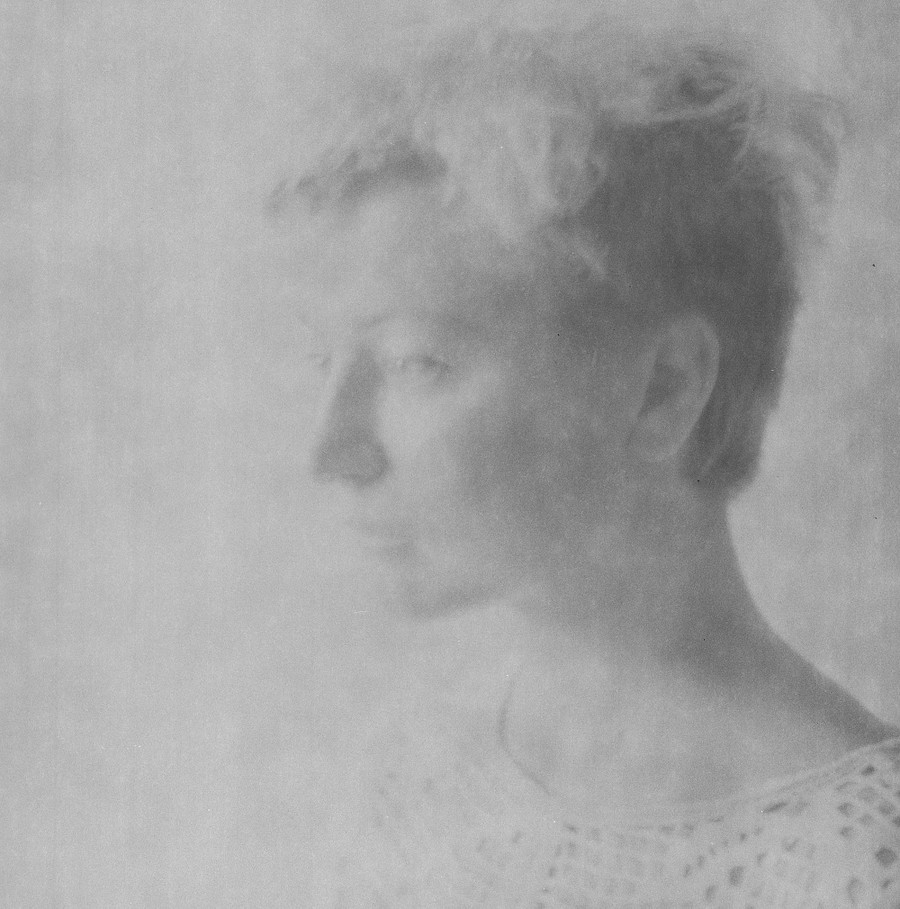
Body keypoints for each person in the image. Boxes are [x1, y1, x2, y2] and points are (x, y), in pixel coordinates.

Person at [267, 20, 900, 907]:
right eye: (321, 361)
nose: (330, 449)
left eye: (417, 363)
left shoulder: (858, 859)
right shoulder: (406, 775)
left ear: (664, 388)